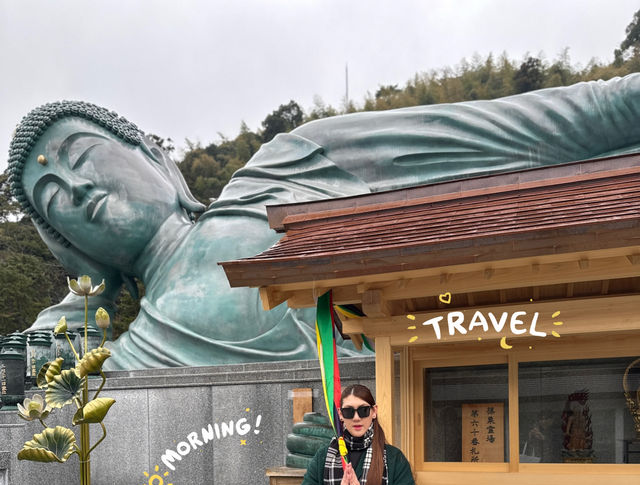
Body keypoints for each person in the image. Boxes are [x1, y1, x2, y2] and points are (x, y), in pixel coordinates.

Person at [10, 75, 640, 368]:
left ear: (153, 151)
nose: (76, 186)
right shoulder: (130, 358)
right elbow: (42, 416)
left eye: (81, 158)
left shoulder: (287, 166)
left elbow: (519, 134)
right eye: (52, 199)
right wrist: (83, 298)